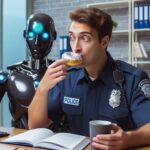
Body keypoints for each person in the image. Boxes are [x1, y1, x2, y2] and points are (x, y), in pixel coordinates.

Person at [28, 7, 150, 149]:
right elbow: (35, 126)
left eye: (85, 38)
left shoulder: (133, 79)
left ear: (104, 42)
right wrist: (43, 88)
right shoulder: (65, 76)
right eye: (72, 38)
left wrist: (128, 139)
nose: (75, 48)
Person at [0, 13, 57, 129]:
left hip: (56, 141)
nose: (36, 42)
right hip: (18, 140)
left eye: (44, 36)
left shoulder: (62, 73)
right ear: (25, 35)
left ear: (54, 36)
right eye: (31, 35)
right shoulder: (11, 74)